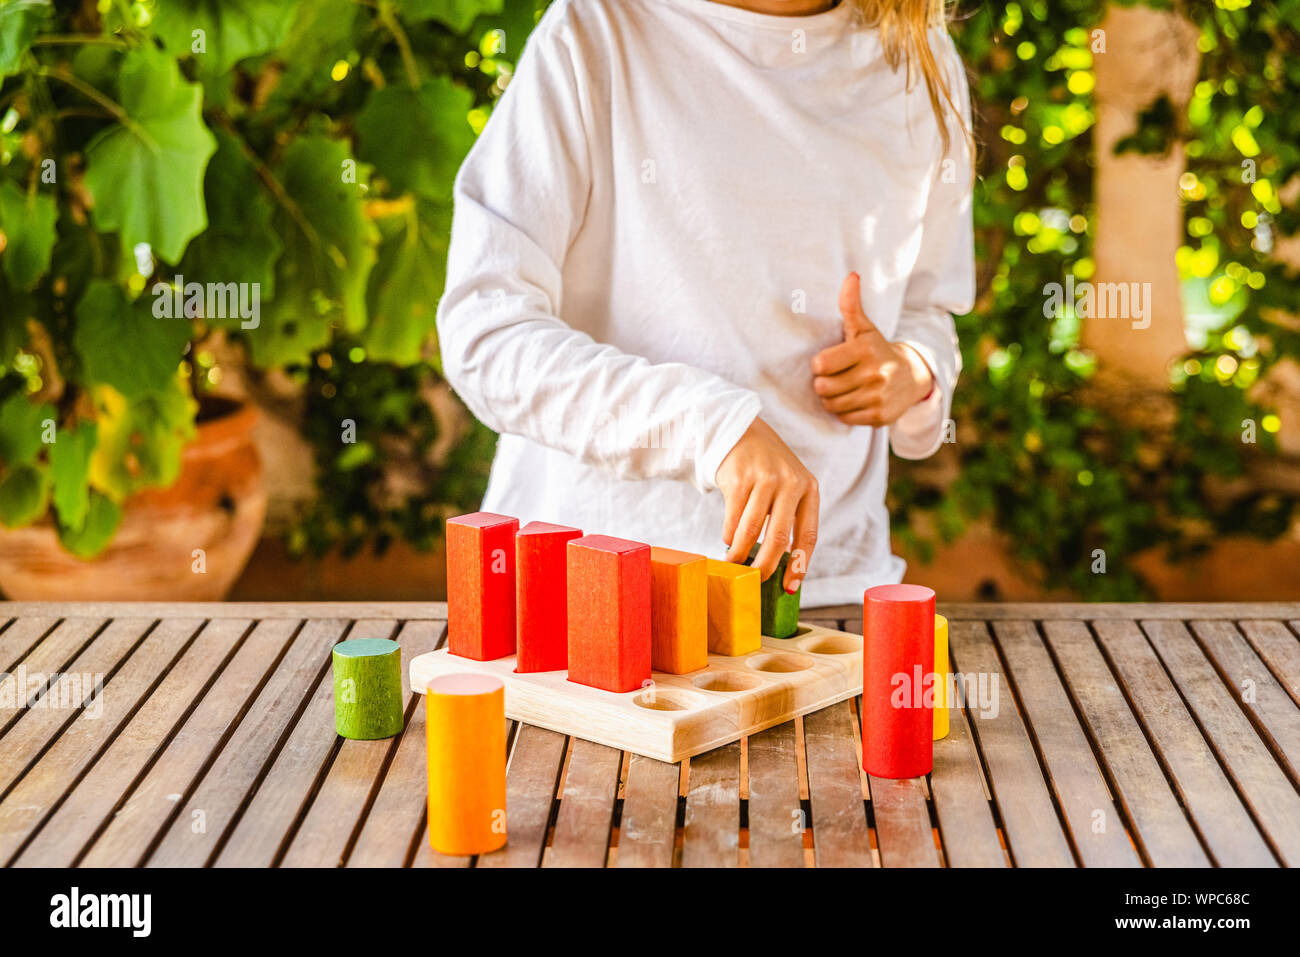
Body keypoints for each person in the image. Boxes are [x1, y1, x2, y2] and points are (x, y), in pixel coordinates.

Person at [437, 0, 975, 607]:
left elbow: (930, 307)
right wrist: (709, 428)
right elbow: (485, 332)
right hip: (593, 595)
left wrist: (914, 371)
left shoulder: (917, 52)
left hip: (828, 594)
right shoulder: (595, 30)